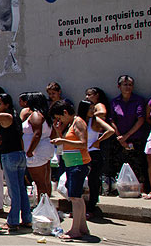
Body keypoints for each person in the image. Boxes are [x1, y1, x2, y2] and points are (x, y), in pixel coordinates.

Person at [0, 93, 31, 231]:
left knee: (14, 190)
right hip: (19, 154)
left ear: (7, 105)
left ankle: (13, 220)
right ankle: (26, 218)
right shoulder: (15, 117)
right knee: (21, 189)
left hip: (10, 156)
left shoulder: (6, 116)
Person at [48, 100, 91, 240]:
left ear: (65, 112)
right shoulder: (70, 123)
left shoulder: (78, 122)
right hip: (72, 163)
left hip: (78, 164)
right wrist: (59, 132)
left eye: (59, 117)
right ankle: (82, 227)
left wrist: (63, 141)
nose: (59, 120)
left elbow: (83, 144)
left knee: (75, 198)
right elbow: (67, 141)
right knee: (76, 197)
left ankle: (75, 230)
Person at [109, 75, 150, 195]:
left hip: (135, 139)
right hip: (119, 140)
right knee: (119, 165)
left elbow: (141, 119)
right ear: (119, 86)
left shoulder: (138, 100)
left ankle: (138, 191)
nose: (128, 87)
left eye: (130, 85)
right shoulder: (115, 102)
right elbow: (112, 120)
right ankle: (120, 190)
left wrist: (126, 136)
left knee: (137, 165)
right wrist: (120, 138)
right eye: (125, 84)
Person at [77, 100, 116, 215]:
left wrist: (98, 141)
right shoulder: (79, 120)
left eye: (93, 108)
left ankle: (91, 206)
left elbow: (110, 130)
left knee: (93, 181)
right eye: (90, 108)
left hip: (93, 153)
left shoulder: (94, 120)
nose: (92, 111)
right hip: (80, 153)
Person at [19, 92, 55, 197]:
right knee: (45, 181)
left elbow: (37, 134)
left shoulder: (36, 115)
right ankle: (46, 206)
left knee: (40, 182)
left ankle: (43, 207)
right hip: (44, 149)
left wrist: (30, 151)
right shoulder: (45, 115)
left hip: (37, 151)